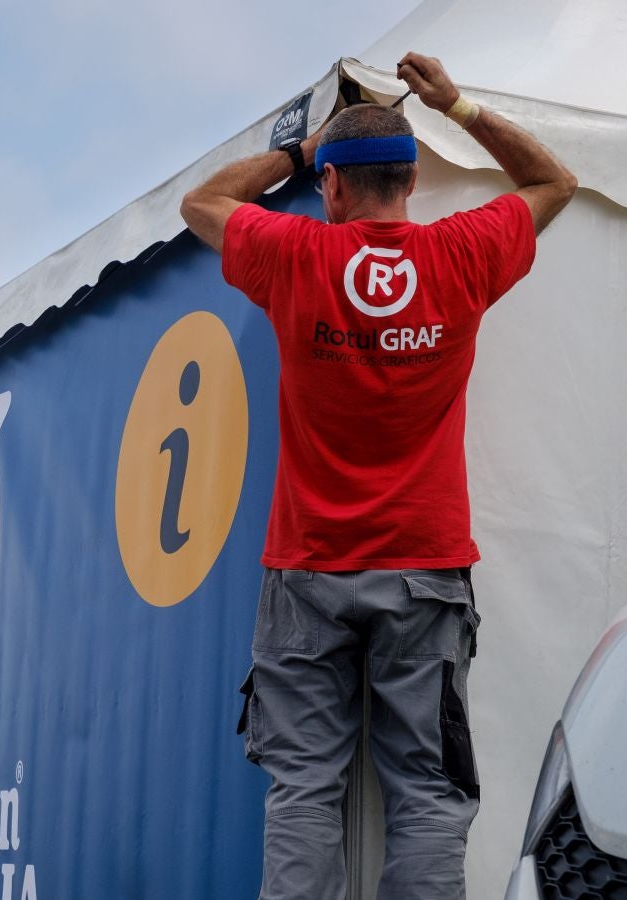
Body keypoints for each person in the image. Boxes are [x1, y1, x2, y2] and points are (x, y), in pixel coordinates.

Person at [179, 52, 577, 899]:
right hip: (424, 570)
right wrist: (459, 106)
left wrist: (300, 147)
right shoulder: (462, 253)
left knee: (304, 792)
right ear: (412, 178)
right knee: (428, 795)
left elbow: (202, 204)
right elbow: (556, 184)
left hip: (308, 567)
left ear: (331, 190)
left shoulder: (294, 255)